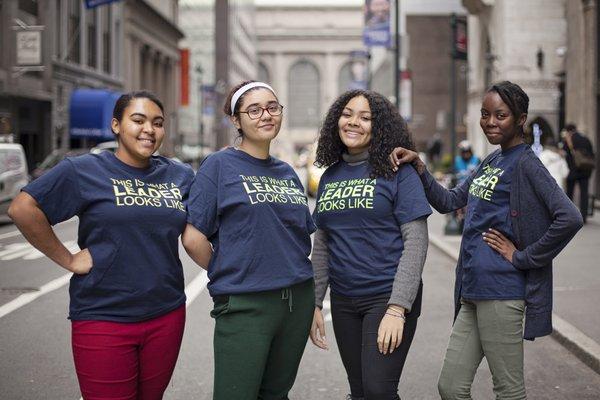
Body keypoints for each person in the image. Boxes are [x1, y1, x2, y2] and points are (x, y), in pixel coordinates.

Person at [389, 81, 583, 399]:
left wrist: (523, 257)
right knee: (450, 386)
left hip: (502, 293)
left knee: (508, 390)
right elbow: (450, 201)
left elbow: (570, 217)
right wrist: (420, 167)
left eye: (500, 115)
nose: (490, 121)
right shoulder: (491, 161)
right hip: (472, 291)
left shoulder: (526, 164)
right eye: (485, 114)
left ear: (521, 119)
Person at [8, 91, 194, 399]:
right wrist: (68, 259)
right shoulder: (83, 170)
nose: (149, 129)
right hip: (104, 315)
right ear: (116, 125)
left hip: (166, 312)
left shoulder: (179, 175)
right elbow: (22, 209)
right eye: (138, 120)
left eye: (157, 123)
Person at [182, 81, 316, 400]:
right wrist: (228, 267)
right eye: (254, 110)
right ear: (236, 120)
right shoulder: (219, 165)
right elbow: (192, 238)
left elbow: (299, 241)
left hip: (297, 301)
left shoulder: (287, 173)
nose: (265, 115)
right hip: (246, 302)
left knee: (276, 394)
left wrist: (312, 302)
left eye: (272, 107)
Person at [309, 89, 432, 400]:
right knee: (360, 390)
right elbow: (322, 243)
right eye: (348, 114)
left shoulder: (398, 172)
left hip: (386, 297)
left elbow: (416, 241)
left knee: (379, 390)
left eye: (366, 118)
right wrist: (314, 303)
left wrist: (397, 308)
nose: (354, 122)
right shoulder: (330, 177)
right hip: (344, 301)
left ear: (380, 128)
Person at [563, 123, 595, 223]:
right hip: (585, 170)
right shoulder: (586, 139)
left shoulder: (569, 140)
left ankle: (569, 216)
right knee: (584, 193)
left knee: (569, 194)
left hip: (573, 170)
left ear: (568, 131)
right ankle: (584, 217)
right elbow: (591, 153)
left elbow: (566, 154)